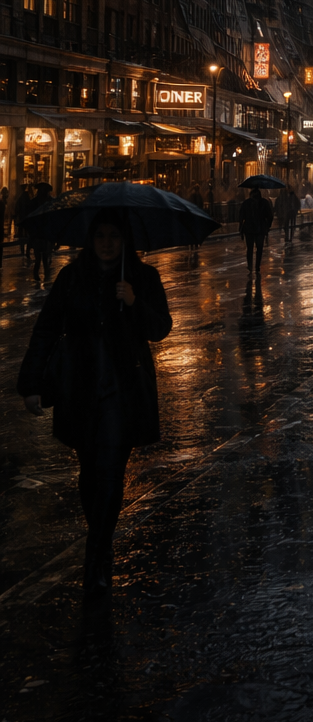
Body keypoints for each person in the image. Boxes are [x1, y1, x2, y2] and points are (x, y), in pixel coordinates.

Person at [17, 215, 173, 605]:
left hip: (123, 392)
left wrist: (133, 302)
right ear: (90, 239)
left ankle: (96, 554)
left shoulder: (143, 277)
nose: (106, 243)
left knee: (112, 470)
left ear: (125, 240)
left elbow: (160, 328)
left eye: (114, 236)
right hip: (80, 389)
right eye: (100, 236)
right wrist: (31, 384)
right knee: (89, 472)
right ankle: (100, 541)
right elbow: (46, 329)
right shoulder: (72, 278)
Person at [239, 186, 274, 273]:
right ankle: (257, 266)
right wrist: (267, 226)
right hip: (260, 229)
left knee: (250, 249)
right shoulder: (264, 202)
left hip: (249, 229)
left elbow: (241, 217)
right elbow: (270, 216)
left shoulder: (246, 203)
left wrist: (241, 229)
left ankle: (250, 266)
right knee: (259, 249)